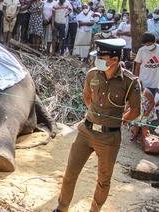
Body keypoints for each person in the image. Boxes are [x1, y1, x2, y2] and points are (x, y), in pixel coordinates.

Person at [54, 38, 141, 212]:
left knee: (103, 180)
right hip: (85, 133)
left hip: (109, 138)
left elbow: (135, 111)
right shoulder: (92, 74)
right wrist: (96, 116)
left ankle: (95, 210)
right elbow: (87, 97)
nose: (97, 59)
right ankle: (61, 208)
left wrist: (118, 120)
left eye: (101, 56)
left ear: (114, 60)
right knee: (70, 173)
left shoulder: (130, 82)